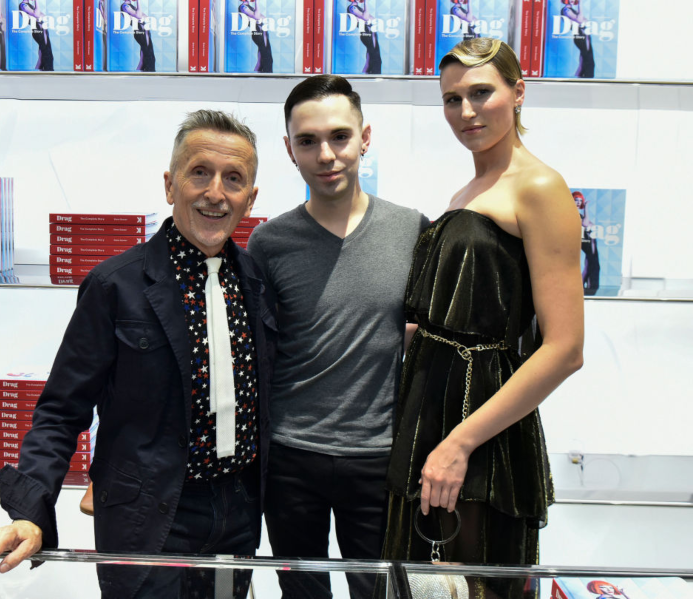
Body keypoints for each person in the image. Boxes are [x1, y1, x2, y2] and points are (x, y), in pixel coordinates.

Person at [0, 110, 277, 599]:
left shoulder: (257, 282)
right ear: (169, 185)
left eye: (233, 179)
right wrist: (30, 511)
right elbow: (61, 410)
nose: (215, 192)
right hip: (147, 513)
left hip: (237, 513)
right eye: (199, 173)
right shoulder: (115, 286)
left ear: (250, 199)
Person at [381, 38, 584, 599]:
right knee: (423, 586)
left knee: (474, 586)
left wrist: (460, 444)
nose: (466, 111)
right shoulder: (467, 191)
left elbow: (565, 348)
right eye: (452, 99)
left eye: (480, 93)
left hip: (479, 435)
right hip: (428, 417)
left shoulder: (540, 187)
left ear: (518, 92)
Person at [247, 74, 428, 599]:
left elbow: (428, 339)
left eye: (339, 137)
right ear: (289, 150)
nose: (326, 155)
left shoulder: (413, 230)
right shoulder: (268, 242)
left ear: (364, 138)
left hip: (379, 456)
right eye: (308, 141)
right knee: (302, 594)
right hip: (289, 456)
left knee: (378, 592)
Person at [573, 190, 599, 292]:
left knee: (590, 263)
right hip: (579, 239)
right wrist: (586, 207)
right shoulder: (571, 213)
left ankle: (584, 285)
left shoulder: (577, 213)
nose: (578, 202)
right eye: (576, 200)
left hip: (586, 239)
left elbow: (589, 224)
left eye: (580, 200)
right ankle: (583, 284)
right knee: (591, 262)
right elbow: (585, 223)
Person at [561, 0, 595, 78]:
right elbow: (580, 20)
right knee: (588, 61)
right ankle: (587, 80)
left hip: (584, 35)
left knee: (583, 63)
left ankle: (579, 80)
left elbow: (586, 21)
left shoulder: (572, 10)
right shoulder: (566, 10)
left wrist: (581, 19)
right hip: (580, 36)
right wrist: (580, 4)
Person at [347, 0, 381, 74]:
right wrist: (366, 3)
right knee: (374, 57)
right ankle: (371, 75)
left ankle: (366, 75)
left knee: (371, 58)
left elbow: (373, 19)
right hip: (366, 33)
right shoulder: (352, 8)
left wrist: (365, 15)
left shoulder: (358, 8)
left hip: (371, 32)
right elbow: (366, 18)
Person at [239, 0, 273, 73]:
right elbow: (257, 17)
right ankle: (266, 76)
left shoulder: (250, 7)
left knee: (262, 60)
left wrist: (256, 16)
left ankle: (255, 77)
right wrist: (257, 2)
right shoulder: (243, 7)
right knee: (266, 58)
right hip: (258, 33)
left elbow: (263, 18)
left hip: (262, 32)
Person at [121, 0, 156, 72]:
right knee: (148, 55)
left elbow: (145, 16)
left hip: (144, 31)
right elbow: (139, 16)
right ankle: (147, 74)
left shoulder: (132, 7)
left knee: (144, 58)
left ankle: (138, 75)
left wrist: (138, 16)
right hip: (140, 32)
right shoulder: (125, 6)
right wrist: (138, 1)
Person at [19, 0, 54, 71]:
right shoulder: (23, 5)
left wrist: (35, 14)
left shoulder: (30, 5)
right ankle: (47, 71)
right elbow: (37, 15)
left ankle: (37, 73)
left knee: (43, 55)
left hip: (42, 30)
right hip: (38, 31)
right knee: (46, 54)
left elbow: (43, 16)